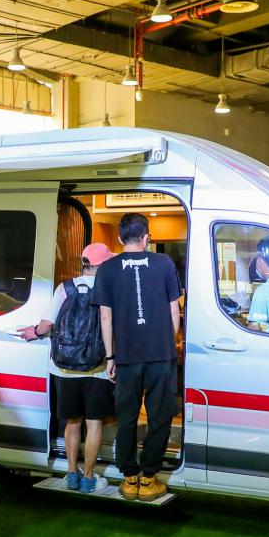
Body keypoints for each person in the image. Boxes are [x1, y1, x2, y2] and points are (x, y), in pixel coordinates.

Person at [94, 213, 181, 502]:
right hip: (161, 355)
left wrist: (110, 357)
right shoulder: (164, 263)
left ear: (120, 238)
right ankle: (149, 478)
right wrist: (170, 342)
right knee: (160, 417)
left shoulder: (107, 269)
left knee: (127, 418)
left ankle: (129, 479)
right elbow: (174, 311)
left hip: (126, 357)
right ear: (146, 237)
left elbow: (105, 317)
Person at [17, 243, 114, 494]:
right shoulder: (110, 289)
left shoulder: (65, 288)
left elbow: (47, 324)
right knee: (94, 423)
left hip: (64, 368)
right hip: (97, 367)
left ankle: (71, 473)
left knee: (73, 421)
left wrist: (34, 331)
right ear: (103, 266)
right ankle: (89, 478)